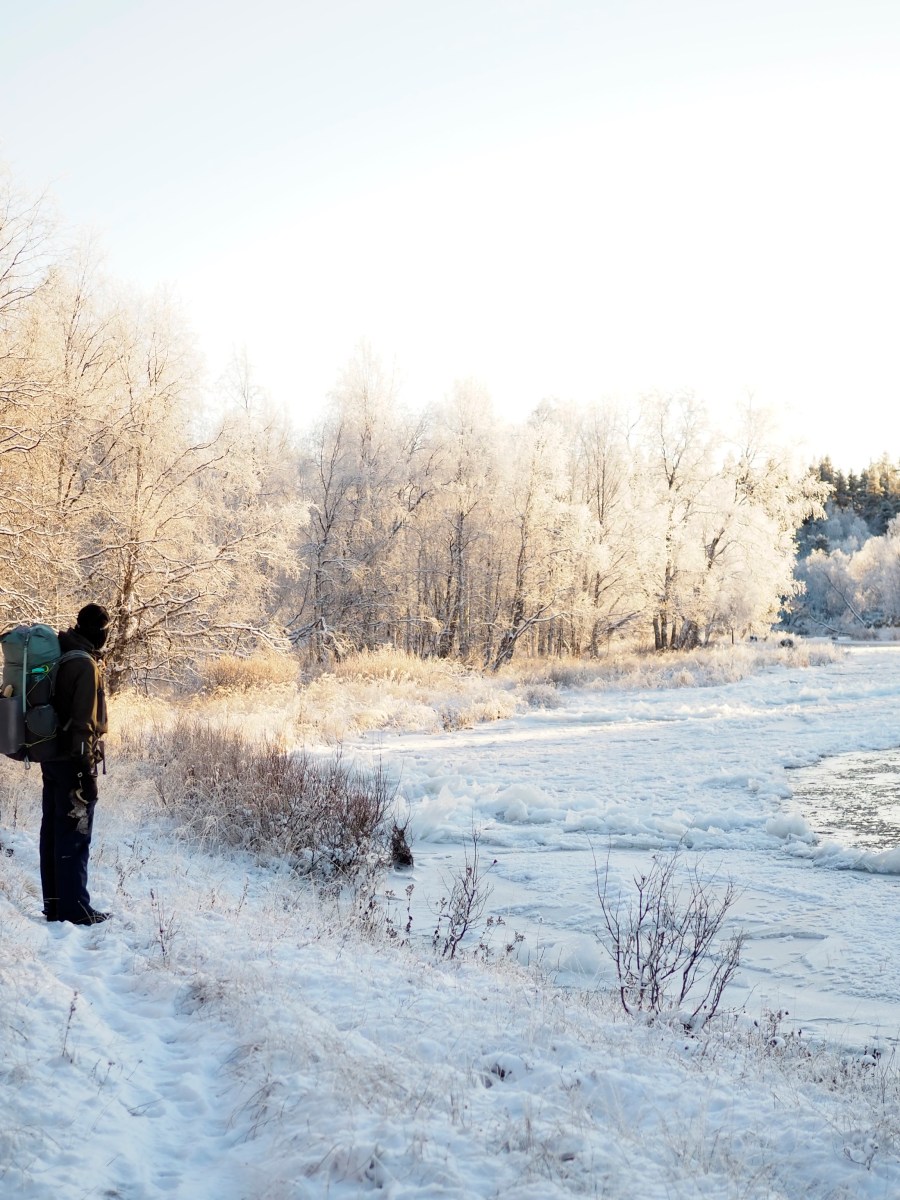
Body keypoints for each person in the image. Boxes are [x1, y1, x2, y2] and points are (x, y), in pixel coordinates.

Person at [39, 603, 110, 926]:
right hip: (73, 762)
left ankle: (54, 904)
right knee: (75, 834)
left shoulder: (63, 654)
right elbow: (83, 723)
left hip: (52, 758)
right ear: (99, 631)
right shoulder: (84, 664)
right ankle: (75, 909)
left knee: (54, 831)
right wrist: (85, 770)